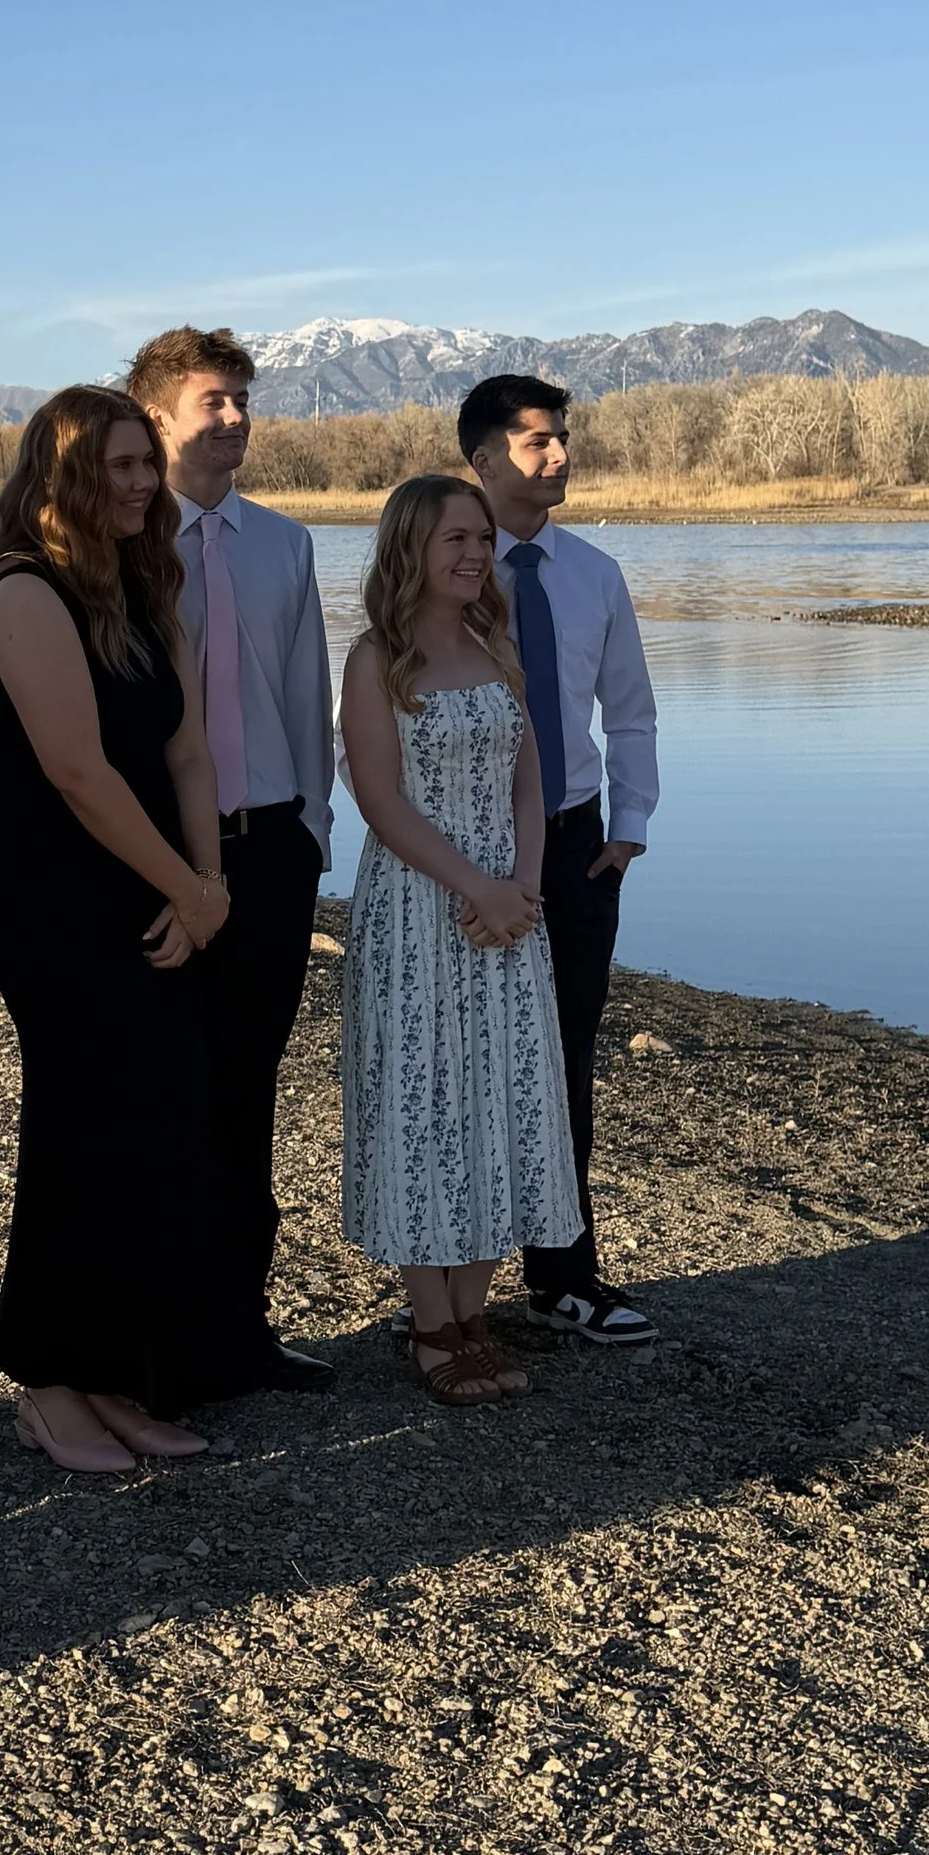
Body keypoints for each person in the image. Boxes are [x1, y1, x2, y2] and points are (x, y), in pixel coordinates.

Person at [0, 388, 251, 1472]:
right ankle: (45, 1379)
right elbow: (76, 773)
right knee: (82, 1138)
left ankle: (119, 1377)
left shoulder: (137, 583)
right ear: (64, 472)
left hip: (159, 890)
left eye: (144, 464)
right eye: (118, 467)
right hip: (60, 906)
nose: (139, 484)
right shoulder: (23, 594)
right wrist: (189, 886)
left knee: (153, 1136)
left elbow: (186, 751)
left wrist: (205, 881)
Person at [339, 475, 583, 1404]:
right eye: (455, 539)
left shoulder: (496, 642)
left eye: (482, 537)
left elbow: (530, 775)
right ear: (409, 549)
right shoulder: (376, 660)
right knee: (422, 1102)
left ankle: (473, 1313)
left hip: (507, 914)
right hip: (419, 912)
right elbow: (381, 800)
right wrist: (474, 885)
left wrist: (522, 882)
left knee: (502, 1098)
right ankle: (430, 1321)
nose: (476, 553)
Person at [128, 325, 338, 1395]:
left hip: (268, 848)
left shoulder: (283, 544)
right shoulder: (116, 542)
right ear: (157, 414)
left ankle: (237, 1328)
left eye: (243, 399)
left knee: (248, 1089)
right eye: (213, 401)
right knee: (163, 1091)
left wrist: (314, 825)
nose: (236, 418)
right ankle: (154, 1338)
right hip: (151, 854)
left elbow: (307, 690)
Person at [458, 371, 662, 1344]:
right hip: (469, 846)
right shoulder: (441, 572)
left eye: (562, 438)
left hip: (578, 847)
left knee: (564, 1062)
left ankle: (564, 1276)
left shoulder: (592, 574)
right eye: (538, 441)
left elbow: (628, 709)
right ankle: (450, 1292)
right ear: (484, 458)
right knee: (465, 1062)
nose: (560, 456)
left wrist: (629, 828)